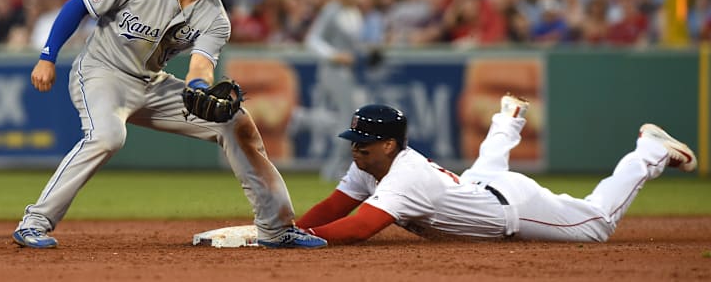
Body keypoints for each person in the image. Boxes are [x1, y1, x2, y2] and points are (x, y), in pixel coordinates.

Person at [13, 0, 327, 249]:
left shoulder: (215, 18)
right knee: (108, 136)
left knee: (236, 122)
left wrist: (197, 87)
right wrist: (48, 56)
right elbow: (78, 5)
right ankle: (35, 222)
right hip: (101, 72)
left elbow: (201, 64)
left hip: (152, 83)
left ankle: (276, 228)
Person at [295, 95, 698, 244]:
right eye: (353, 142)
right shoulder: (370, 164)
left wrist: (304, 239)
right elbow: (335, 206)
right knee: (483, 167)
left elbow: (360, 226)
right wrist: (296, 229)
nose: (355, 150)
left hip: (512, 206)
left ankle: (649, 151)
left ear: (387, 145)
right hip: (476, 186)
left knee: (596, 225)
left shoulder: (402, 173)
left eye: (362, 144)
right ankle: (508, 118)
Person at [304, 0, 374, 182]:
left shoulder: (355, 12)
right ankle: (333, 169)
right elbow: (312, 40)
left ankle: (338, 165)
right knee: (349, 118)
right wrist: (334, 55)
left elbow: (355, 45)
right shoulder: (331, 10)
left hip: (348, 72)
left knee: (348, 118)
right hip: (333, 71)